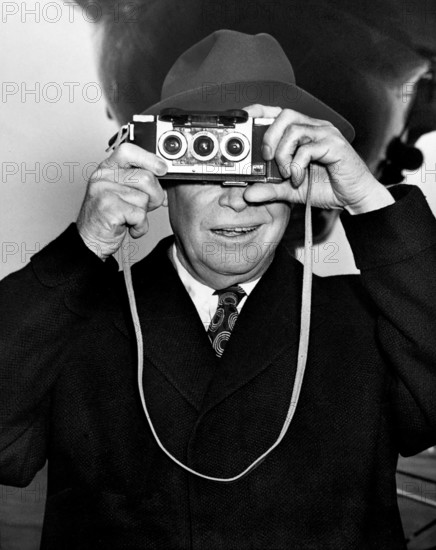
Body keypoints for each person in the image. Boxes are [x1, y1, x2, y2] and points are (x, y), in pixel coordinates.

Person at [1, 29, 435, 550]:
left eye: (260, 163)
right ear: (162, 173)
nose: (239, 200)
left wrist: (368, 201)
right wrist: (83, 249)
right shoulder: (73, 316)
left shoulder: (374, 317)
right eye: (210, 160)